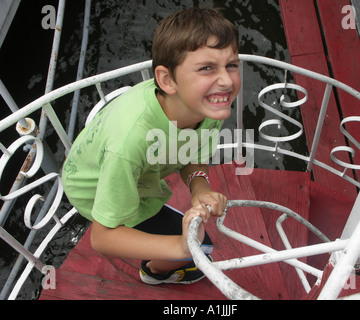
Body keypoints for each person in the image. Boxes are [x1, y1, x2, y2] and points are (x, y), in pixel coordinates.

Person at [61, 7, 241, 285]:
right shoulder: (129, 144)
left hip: (138, 173)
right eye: (207, 68)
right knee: (201, 248)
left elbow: (189, 155)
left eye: (231, 65)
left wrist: (199, 187)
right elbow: (103, 236)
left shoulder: (205, 105)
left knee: (198, 243)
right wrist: (183, 249)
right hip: (95, 188)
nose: (227, 81)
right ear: (168, 80)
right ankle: (155, 272)